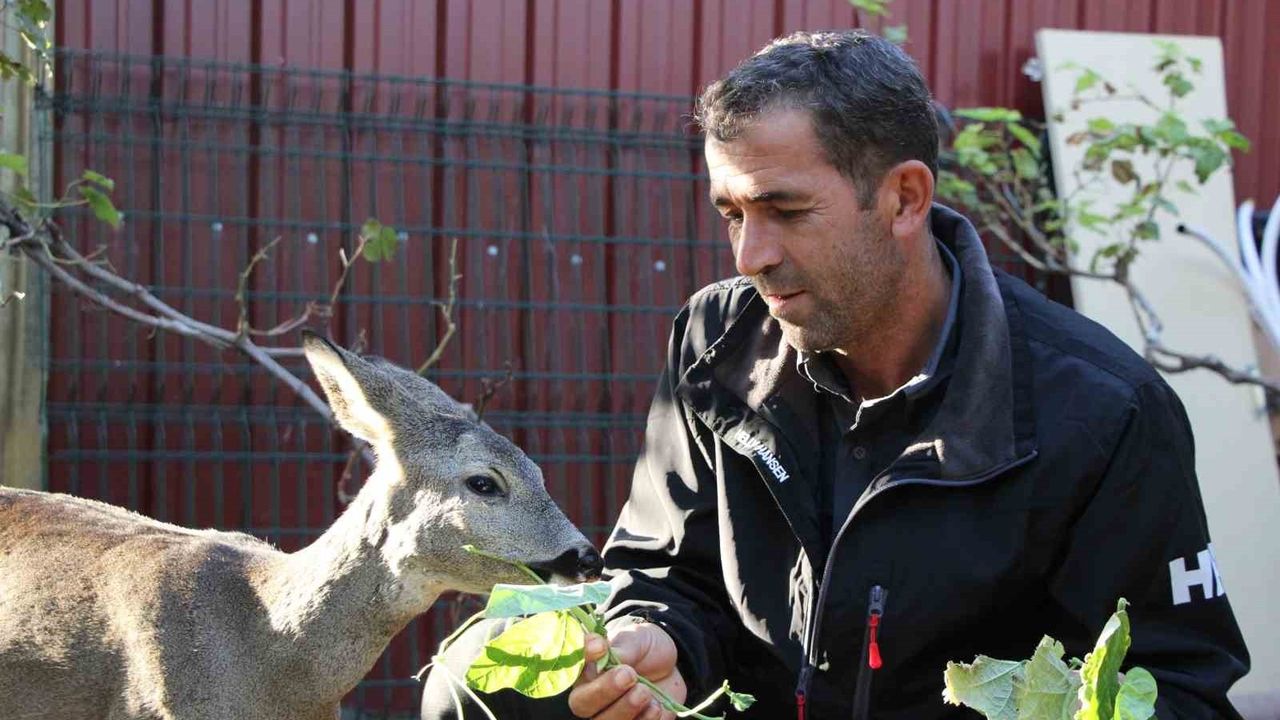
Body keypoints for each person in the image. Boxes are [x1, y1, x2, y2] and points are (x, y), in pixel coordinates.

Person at [422, 29, 1250, 720]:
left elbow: (1182, 687)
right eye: (731, 213)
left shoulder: (1105, 411)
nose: (752, 256)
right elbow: (665, 569)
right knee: (470, 684)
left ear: (904, 198)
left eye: (785, 210)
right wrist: (657, 639)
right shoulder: (716, 339)